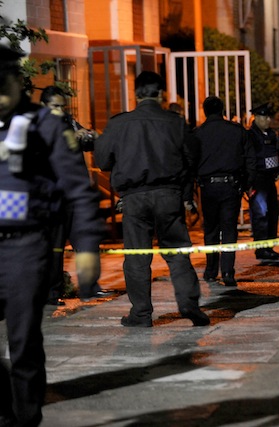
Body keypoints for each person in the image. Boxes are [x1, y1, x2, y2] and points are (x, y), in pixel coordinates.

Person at [0, 43, 102, 426]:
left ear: (17, 80)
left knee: (23, 342)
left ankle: (25, 418)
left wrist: (87, 248)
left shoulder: (46, 125)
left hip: (24, 246)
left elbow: (79, 189)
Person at [94, 71, 210, 327]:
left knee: (137, 256)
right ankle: (189, 303)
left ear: (135, 94)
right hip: (169, 195)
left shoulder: (119, 124)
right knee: (178, 252)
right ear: (161, 94)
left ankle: (141, 313)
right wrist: (184, 191)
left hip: (134, 197)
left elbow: (101, 160)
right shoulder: (175, 122)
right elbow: (193, 156)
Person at [39, 86, 111, 305]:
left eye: (63, 106)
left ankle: (90, 287)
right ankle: (52, 294)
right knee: (55, 247)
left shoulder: (68, 121)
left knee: (87, 242)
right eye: (55, 106)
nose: (60, 110)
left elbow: (89, 142)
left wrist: (89, 135)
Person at [194, 95, 256, 286]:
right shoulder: (237, 131)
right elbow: (250, 159)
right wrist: (247, 184)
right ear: (222, 110)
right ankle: (228, 272)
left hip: (208, 187)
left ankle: (211, 270)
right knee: (229, 230)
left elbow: (190, 162)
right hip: (231, 186)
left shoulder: (197, 133)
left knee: (211, 230)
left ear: (205, 111)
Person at [248, 102, 279, 260]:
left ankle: (269, 247)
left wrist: (278, 170)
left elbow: (277, 154)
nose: (268, 120)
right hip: (257, 179)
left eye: (269, 116)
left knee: (272, 214)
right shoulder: (250, 135)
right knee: (260, 214)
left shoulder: (271, 135)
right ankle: (261, 248)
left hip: (270, 179)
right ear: (256, 117)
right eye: (264, 116)